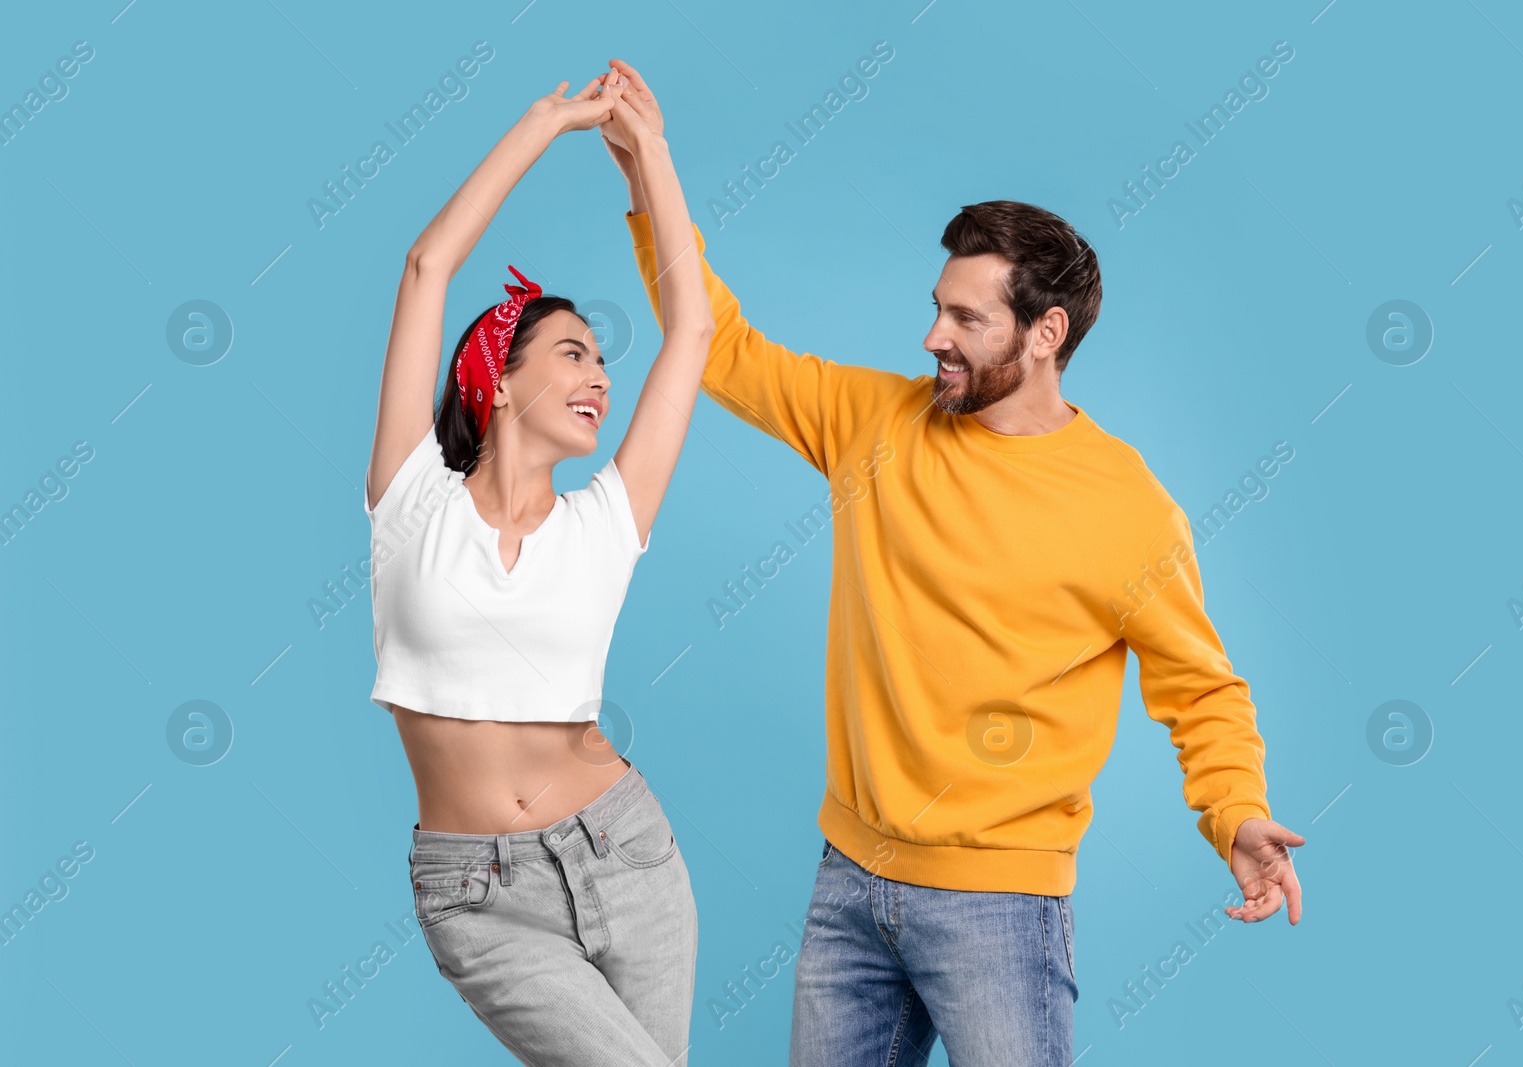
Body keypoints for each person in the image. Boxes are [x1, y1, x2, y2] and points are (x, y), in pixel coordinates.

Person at [600, 58, 1307, 1067]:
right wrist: (644, 173)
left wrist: (1233, 812)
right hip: (847, 880)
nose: (933, 335)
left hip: (1000, 901)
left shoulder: (1125, 505)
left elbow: (1201, 689)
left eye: (966, 320)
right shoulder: (874, 423)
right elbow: (718, 347)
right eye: (937, 306)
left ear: (1045, 332)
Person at [363, 69, 713, 1067]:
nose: (599, 375)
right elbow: (428, 265)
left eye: (602, 360)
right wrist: (547, 121)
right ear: (498, 378)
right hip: (478, 896)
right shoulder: (408, 500)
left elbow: (692, 328)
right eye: (572, 352)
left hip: (628, 854)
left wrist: (651, 155)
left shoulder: (605, 520)